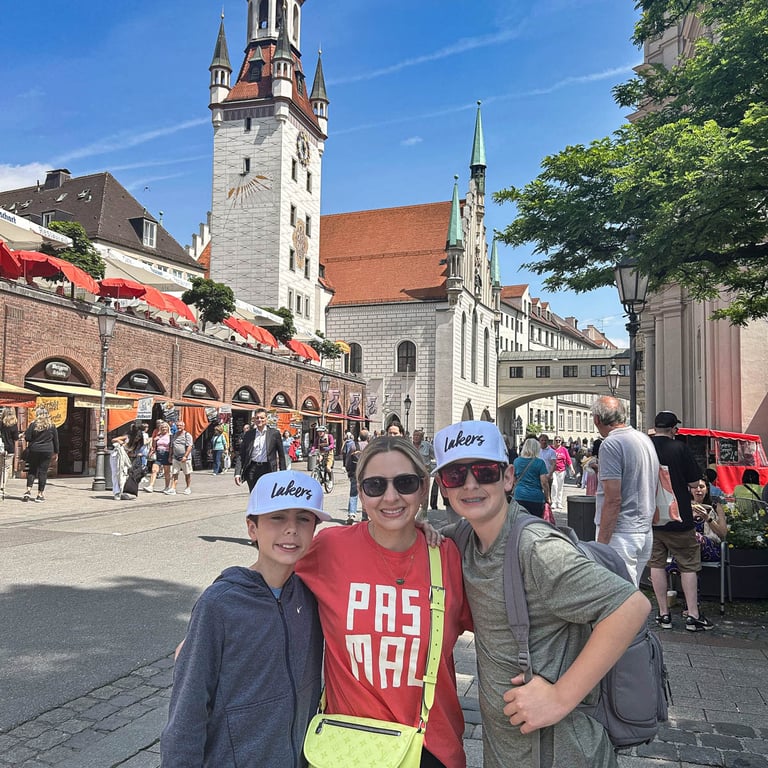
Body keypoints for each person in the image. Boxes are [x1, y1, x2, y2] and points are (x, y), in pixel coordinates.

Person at [433, 420, 651, 768]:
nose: (470, 484)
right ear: (444, 487)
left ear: (507, 478)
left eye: (484, 471)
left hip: (560, 752)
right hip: (512, 750)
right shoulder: (466, 537)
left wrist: (560, 698)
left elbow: (630, 605)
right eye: (455, 475)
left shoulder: (536, 549)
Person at [296, 437, 473, 768]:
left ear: (423, 488)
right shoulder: (331, 548)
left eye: (404, 483)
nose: (390, 497)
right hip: (346, 745)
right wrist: (210, 630)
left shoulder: (447, 557)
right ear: (361, 493)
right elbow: (269, 575)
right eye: (375, 486)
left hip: (429, 748)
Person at [160, 470, 330, 767]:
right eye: (277, 517)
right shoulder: (220, 605)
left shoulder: (310, 596)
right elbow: (188, 711)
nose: (291, 529)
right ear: (252, 528)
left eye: (303, 519)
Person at [649, 411, 714, 631]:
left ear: (655, 427)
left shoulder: (645, 447)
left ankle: (663, 614)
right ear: (674, 429)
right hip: (679, 517)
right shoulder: (680, 448)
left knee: (656, 564)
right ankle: (693, 616)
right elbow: (695, 482)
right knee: (688, 565)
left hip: (651, 517)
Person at [591, 396, 659, 587]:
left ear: (597, 419)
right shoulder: (644, 439)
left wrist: (601, 545)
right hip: (643, 529)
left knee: (618, 597)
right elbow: (653, 480)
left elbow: (613, 499)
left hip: (621, 533)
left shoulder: (610, 444)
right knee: (631, 592)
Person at [234, 408, 286, 491]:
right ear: (254, 419)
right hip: (252, 469)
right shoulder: (249, 434)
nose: (259, 420)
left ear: (266, 419)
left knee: (267, 494)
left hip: (268, 469)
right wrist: (237, 473)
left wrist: (283, 473)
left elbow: (281, 455)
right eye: (257, 418)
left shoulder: (274, 434)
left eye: (262, 418)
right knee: (254, 495)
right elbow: (241, 455)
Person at [22, 406, 59, 503]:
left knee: (32, 470)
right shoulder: (52, 426)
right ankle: (40, 494)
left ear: (37, 414)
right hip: (47, 451)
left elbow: (28, 438)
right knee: (43, 472)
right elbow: (56, 441)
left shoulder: (33, 424)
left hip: (34, 450)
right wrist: (56, 452)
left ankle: (28, 491)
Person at [511, 437, 550, 517]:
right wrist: (548, 497)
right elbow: (544, 482)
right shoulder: (540, 463)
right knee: (535, 523)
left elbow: (513, 479)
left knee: (520, 522)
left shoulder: (516, 461)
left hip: (519, 496)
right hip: (536, 497)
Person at [343, 428, 369, 524]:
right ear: (368, 437)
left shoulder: (354, 445)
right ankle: (365, 516)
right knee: (366, 495)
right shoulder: (370, 447)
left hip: (355, 472)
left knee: (353, 493)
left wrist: (348, 469)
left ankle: (351, 514)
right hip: (366, 474)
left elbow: (348, 459)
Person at [412, 428, 436, 519]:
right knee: (413, 494)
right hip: (412, 474)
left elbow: (435, 456)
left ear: (422, 437)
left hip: (424, 474)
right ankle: (413, 515)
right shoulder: (409, 446)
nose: (415, 437)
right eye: (414, 435)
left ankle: (424, 516)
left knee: (424, 495)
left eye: (417, 436)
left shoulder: (427, 446)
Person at [167, 420, 194, 496]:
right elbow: (171, 446)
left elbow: (189, 446)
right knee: (175, 473)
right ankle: (173, 488)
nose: (179, 427)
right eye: (177, 426)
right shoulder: (174, 435)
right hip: (175, 457)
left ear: (183, 426)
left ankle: (188, 488)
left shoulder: (187, 435)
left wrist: (185, 456)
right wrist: (170, 456)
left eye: (180, 426)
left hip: (185, 458)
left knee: (187, 473)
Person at [145, 420, 172, 492]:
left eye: (165, 427)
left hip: (166, 454)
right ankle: (151, 486)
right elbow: (154, 446)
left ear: (168, 428)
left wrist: (170, 456)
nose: (164, 428)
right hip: (158, 454)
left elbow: (171, 447)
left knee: (166, 472)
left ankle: (167, 487)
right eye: (162, 427)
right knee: (154, 470)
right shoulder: (158, 436)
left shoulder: (170, 436)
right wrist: (154, 441)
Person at [0, 407, 20, 499]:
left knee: (1, 468)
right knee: (6, 469)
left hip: (1, 448)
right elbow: (16, 439)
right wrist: (16, 452)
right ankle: (2, 487)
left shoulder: (1, 424)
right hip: (10, 449)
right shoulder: (14, 425)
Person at [550, 436, 573, 513]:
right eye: (556, 440)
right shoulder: (550, 449)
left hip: (562, 470)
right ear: (554, 441)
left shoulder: (564, 450)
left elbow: (568, 460)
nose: (558, 442)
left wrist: (571, 468)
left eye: (559, 441)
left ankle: (559, 502)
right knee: (554, 485)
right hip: (553, 470)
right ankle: (553, 502)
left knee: (560, 487)